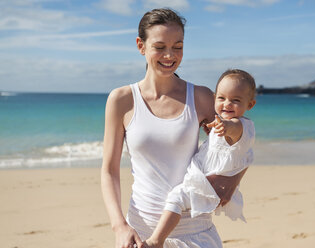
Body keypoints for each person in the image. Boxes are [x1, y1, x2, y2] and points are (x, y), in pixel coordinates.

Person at [101, 8, 247, 248]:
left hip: (195, 231)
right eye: (160, 47)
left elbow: (240, 139)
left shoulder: (199, 96)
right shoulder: (122, 99)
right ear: (141, 46)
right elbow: (109, 170)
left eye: (177, 46)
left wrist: (234, 180)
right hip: (139, 232)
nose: (169, 55)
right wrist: (119, 227)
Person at [145, 69, 256, 248]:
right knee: (179, 198)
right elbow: (245, 154)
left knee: (177, 196)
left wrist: (224, 125)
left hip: (210, 185)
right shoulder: (223, 123)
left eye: (236, 100)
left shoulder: (239, 124)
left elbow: (234, 128)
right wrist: (214, 130)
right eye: (221, 98)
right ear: (214, 97)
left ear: (250, 104)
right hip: (208, 182)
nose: (227, 104)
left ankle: (156, 240)